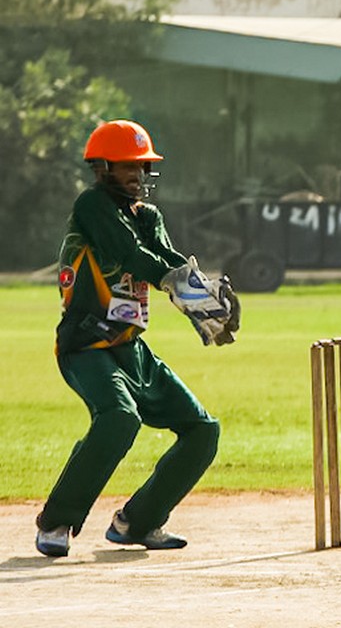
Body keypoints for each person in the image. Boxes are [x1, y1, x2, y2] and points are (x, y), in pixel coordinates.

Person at [34, 119, 240, 558]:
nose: (138, 175)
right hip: (86, 345)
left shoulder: (147, 216)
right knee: (119, 417)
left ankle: (137, 522)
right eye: (128, 166)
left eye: (142, 166)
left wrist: (199, 296)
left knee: (203, 430)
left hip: (130, 347)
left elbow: (165, 258)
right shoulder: (92, 205)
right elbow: (128, 253)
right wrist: (170, 278)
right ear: (102, 167)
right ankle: (57, 522)